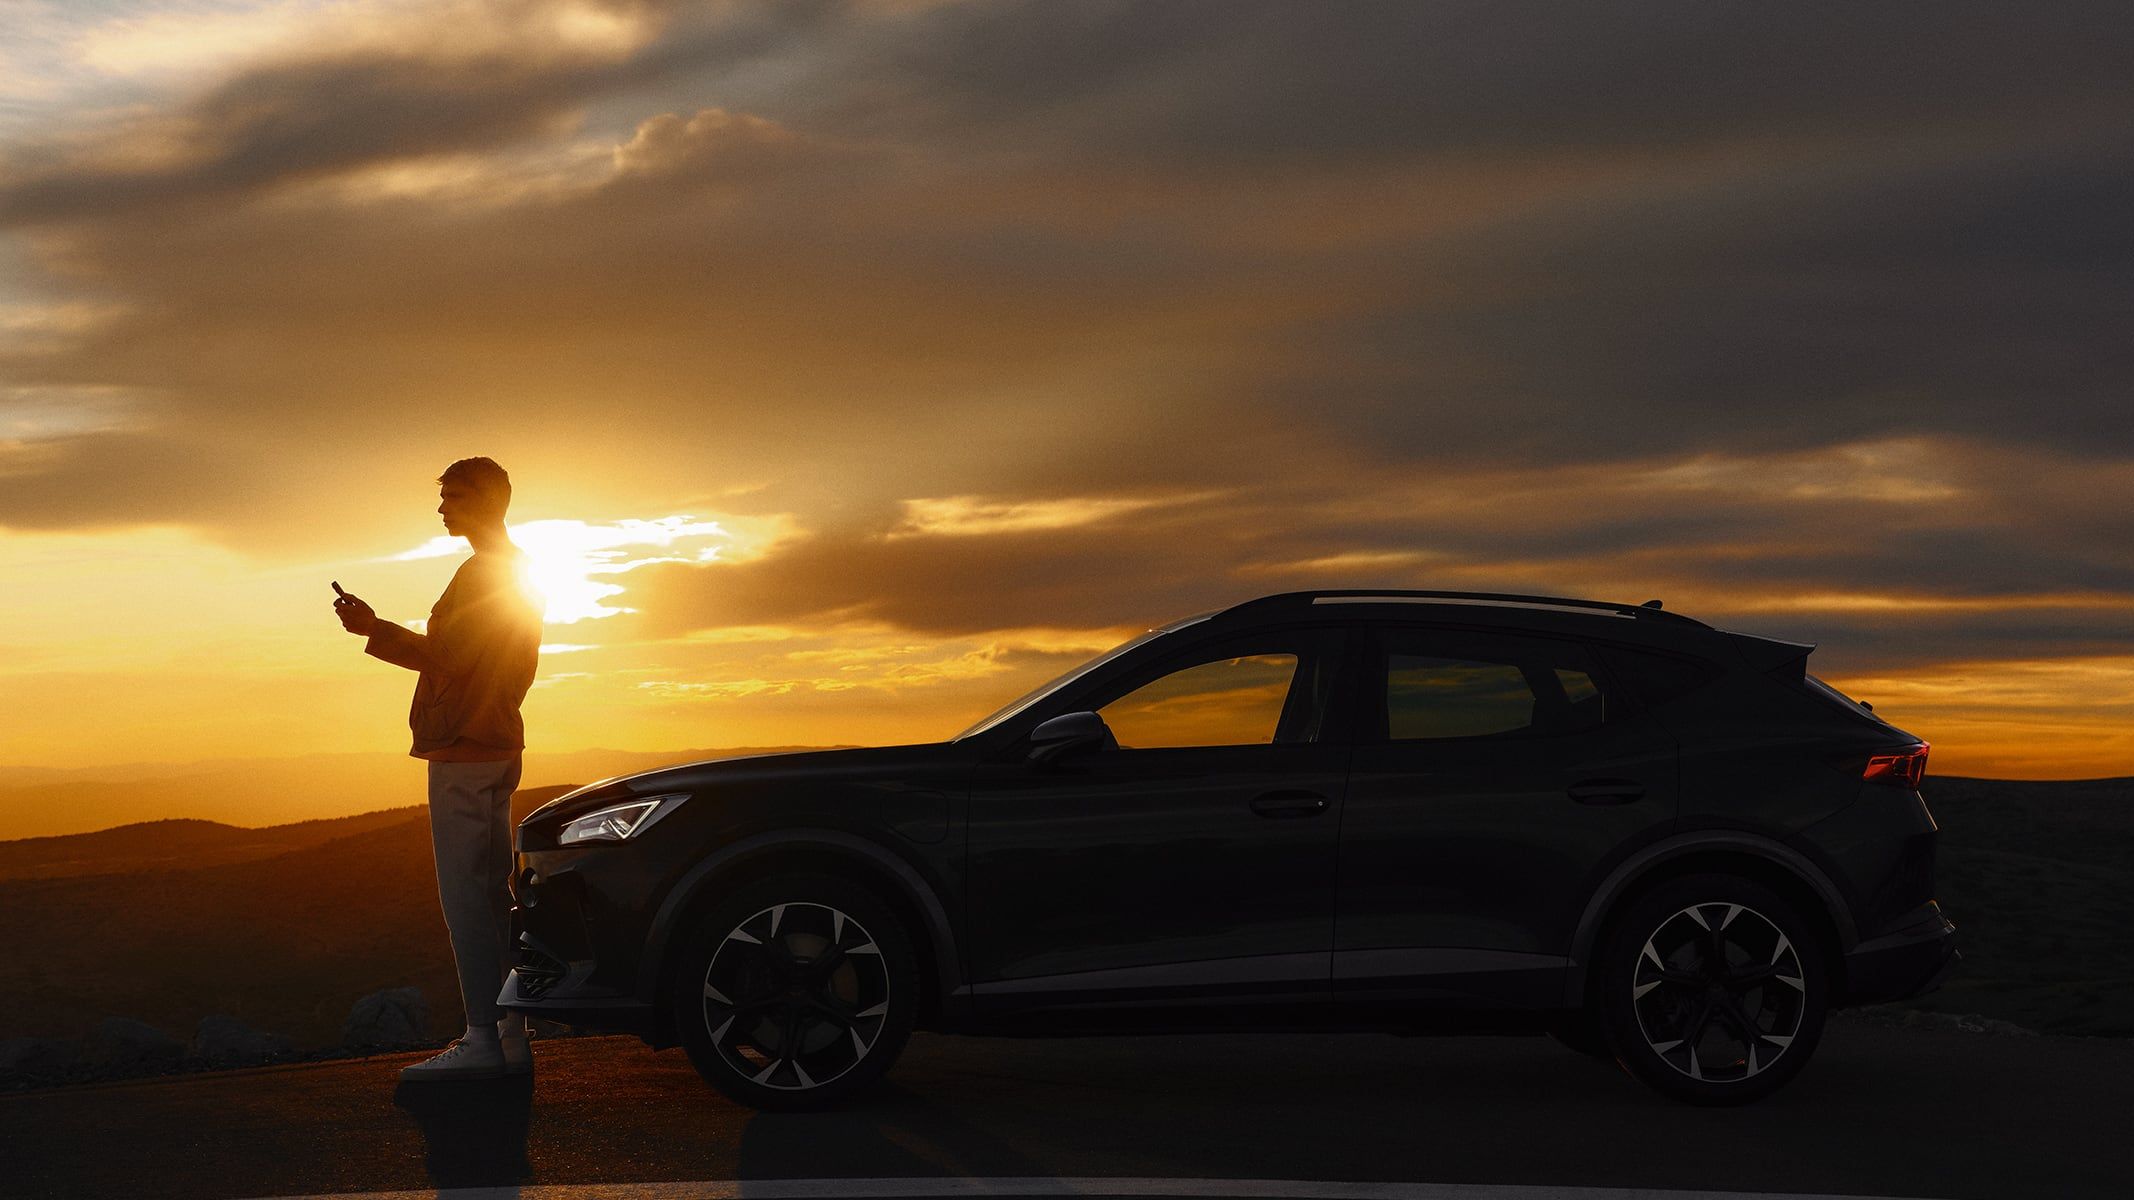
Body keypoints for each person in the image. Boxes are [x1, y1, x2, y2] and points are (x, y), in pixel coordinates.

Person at [334, 457, 543, 1081]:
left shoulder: (487, 574)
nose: (442, 508)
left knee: (468, 900)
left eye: (452, 497)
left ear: (484, 502)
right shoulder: (513, 569)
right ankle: (509, 1033)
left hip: (467, 749)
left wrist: (372, 629)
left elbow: (449, 657)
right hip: (492, 743)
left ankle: (483, 1039)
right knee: (489, 896)